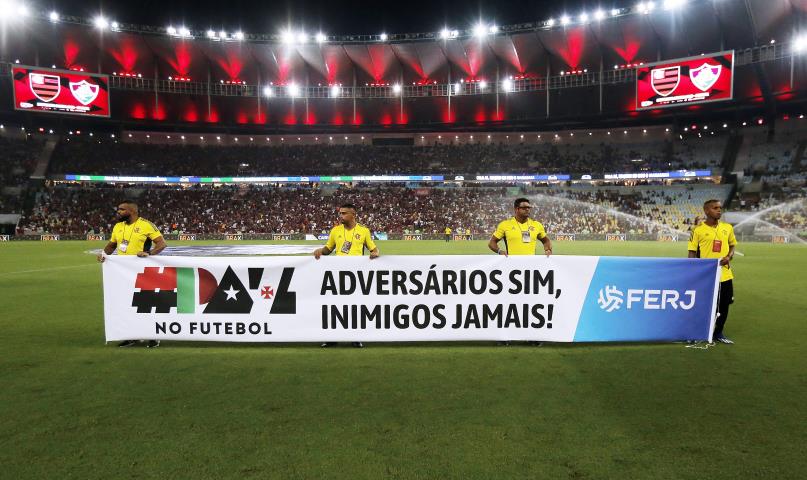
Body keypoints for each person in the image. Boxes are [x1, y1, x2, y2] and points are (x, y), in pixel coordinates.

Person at [98, 200, 168, 348]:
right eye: (118, 209)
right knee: (126, 305)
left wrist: (149, 253)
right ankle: (132, 336)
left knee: (145, 305)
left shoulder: (146, 225)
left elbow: (161, 244)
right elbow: (112, 245)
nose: (118, 212)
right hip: (122, 272)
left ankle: (153, 336)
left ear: (132, 211)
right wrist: (103, 254)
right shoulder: (118, 226)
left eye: (122, 210)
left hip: (143, 271)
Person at [314, 203, 379, 348]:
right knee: (335, 307)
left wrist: (375, 253)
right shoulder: (335, 230)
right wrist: (320, 250)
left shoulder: (364, 231)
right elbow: (328, 249)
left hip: (356, 276)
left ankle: (355, 337)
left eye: (344, 213)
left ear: (353, 214)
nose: (340, 216)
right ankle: (332, 338)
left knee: (355, 307)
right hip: (337, 276)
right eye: (340, 213)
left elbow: (373, 249)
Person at [488, 197, 552, 346]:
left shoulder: (536, 225)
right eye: (524, 207)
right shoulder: (505, 225)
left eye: (529, 207)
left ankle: (533, 335)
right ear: (516, 209)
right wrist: (499, 251)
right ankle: (504, 335)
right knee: (508, 303)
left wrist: (547, 248)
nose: (527, 210)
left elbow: (546, 240)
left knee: (530, 304)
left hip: (530, 271)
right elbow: (491, 242)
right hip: (510, 271)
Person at [688, 199, 737, 344]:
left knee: (724, 305)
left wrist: (729, 256)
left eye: (720, 208)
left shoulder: (727, 228)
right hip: (706, 276)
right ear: (707, 211)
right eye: (715, 208)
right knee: (704, 305)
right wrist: (692, 272)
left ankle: (718, 332)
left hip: (725, 274)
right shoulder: (697, 230)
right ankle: (698, 332)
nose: (719, 210)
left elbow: (732, 246)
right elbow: (692, 253)